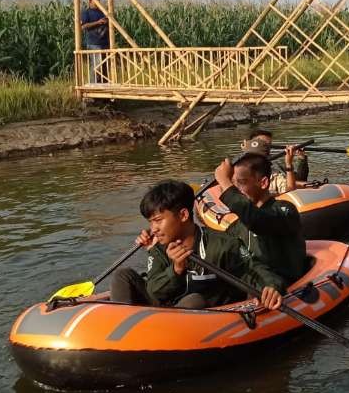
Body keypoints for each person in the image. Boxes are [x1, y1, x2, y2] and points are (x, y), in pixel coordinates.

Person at [110, 180, 283, 310]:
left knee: (194, 300)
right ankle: (117, 332)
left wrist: (271, 287)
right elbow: (154, 291)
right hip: (166, 310)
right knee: (122, 275)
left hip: (204, 318)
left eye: (158, 221)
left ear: (184, 215)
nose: (153, 229)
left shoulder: (224, 245)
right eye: (151, 222)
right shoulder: (159, 248)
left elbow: (256, 270)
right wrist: (176, 270)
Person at [214, 153, 309, 290]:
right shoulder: (239, 225)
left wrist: (225, 182)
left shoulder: (285, 211)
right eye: (233, 185)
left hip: (285, 287)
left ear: (263, 183)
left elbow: (258, 221)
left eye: (240, 183)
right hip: (255, 286)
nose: (236, 190)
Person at [240, 129, 309, 193]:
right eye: (263, 143)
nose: (266, 148)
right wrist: (288, 164)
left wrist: (302, 158)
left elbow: (301, 179)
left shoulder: (274, 163)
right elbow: (290, 188)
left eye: (269, 144)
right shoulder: (242, 165)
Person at [80, 0, 110, 83]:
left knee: (105, 68)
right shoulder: (86, 13)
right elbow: (83, 26)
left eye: (99, 0)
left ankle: (105, 89)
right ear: (90, 1)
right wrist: (98, 22)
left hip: (105, 42)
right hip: (94, 43)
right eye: (95, 0)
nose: (98, 2)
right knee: (97, 67)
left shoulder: (102, 12)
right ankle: (93, 86)